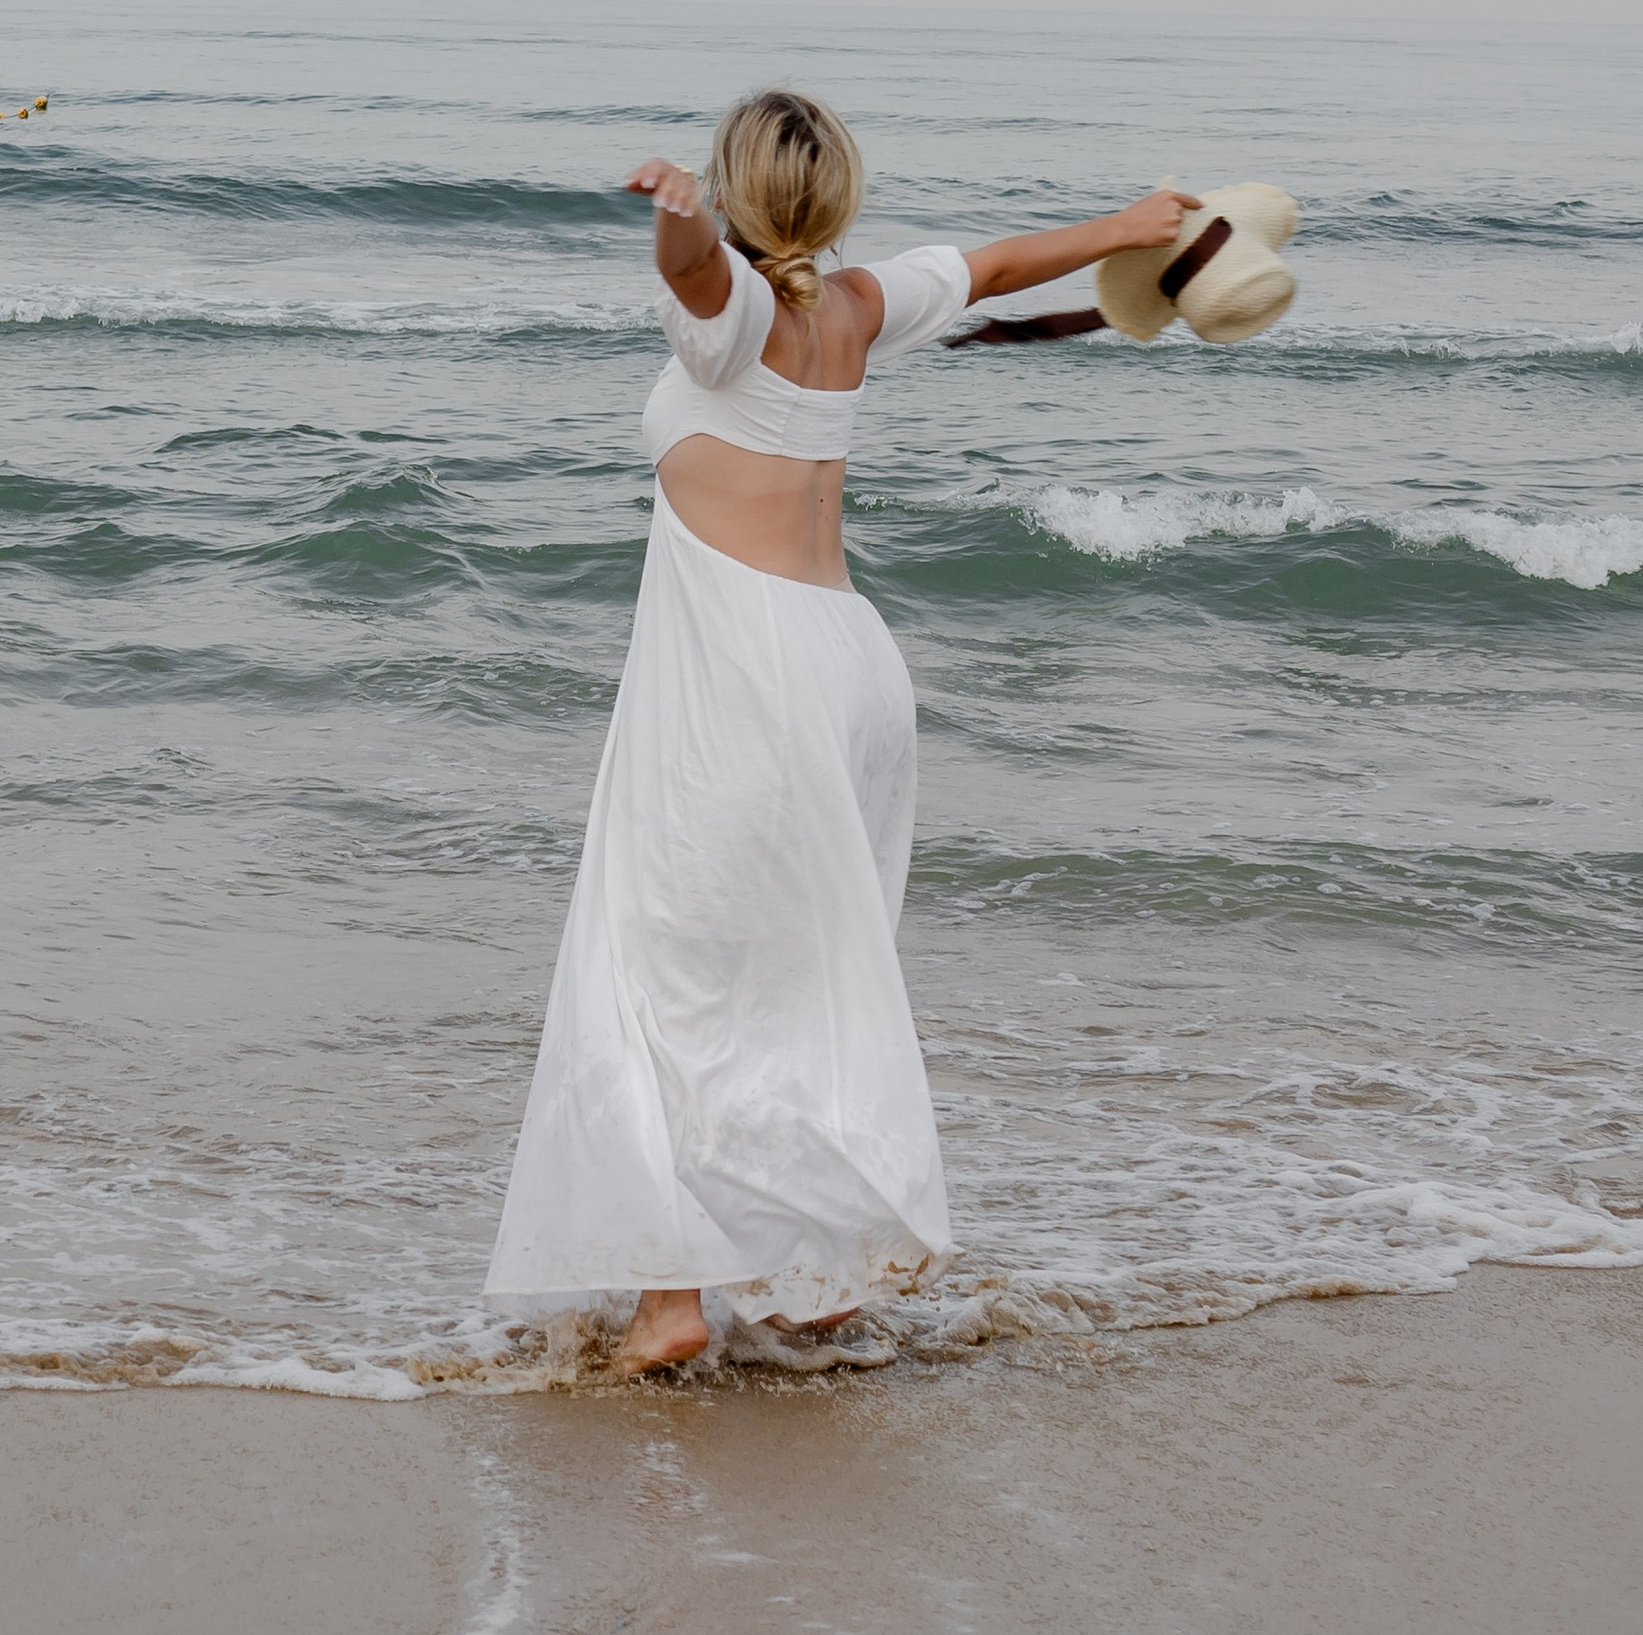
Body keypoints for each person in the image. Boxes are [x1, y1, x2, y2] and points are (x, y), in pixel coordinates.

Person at [486, 86, 1195, 1377]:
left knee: (658, 972)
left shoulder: (739, 321)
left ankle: (672, 1300)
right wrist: (1133, 223)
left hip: (744, 684)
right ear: (836, 199)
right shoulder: (860, 310)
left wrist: (681, 229)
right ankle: (810, 1281)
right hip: (850, 670)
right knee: (791, 977)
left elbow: (705, 287)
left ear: (736, 193)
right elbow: (995, 264)